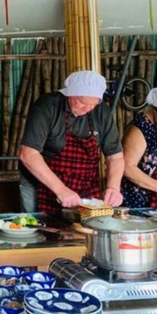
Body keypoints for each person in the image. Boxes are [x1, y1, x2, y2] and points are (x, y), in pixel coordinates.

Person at [19, 71, 124, 215]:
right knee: (40, 229)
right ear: (69, 94)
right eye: (82, 102)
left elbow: (115, 156)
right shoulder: (47, 107)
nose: (87, 109)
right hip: (41, 183)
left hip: (84, 185)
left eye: (92, 104)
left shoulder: (101, 112)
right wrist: (61, 190)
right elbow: (28, 154)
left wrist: (113, 188)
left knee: (82, 230)